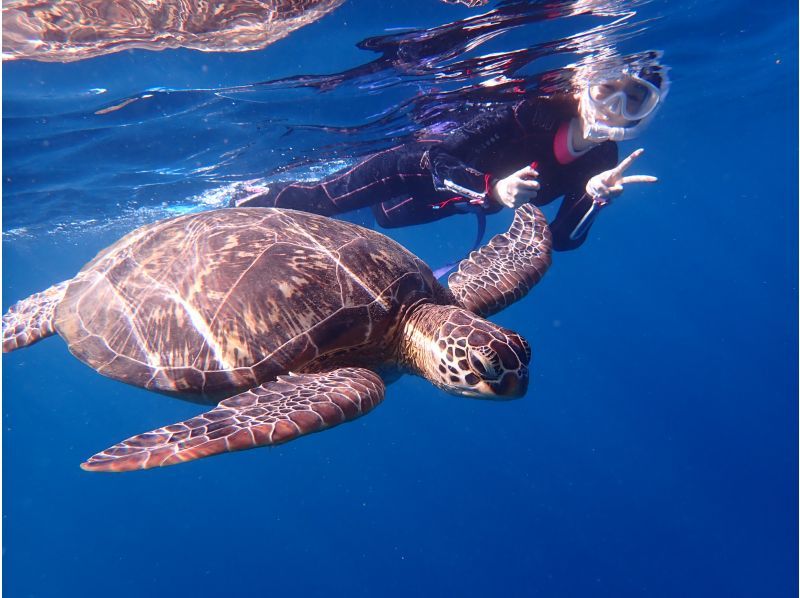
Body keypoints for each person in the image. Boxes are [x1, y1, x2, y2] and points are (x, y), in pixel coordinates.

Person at [230, 62, 670, 252]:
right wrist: (492, 188)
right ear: (583, 86)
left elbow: (560, 240)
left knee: (358, 224)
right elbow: (434, 157)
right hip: (407, 167)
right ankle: (230, 207)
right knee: (320, 200)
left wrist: (594, 198)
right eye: (607, 89)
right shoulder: (530, 111)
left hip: (418, 208)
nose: (615, 107)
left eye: (636, 100)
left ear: (650, 110)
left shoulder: (603, 164)